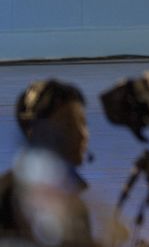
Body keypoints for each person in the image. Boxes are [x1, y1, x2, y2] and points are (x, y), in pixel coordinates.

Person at [0, 80, 95, 246]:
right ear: (35, 132)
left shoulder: (75, 202)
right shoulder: (6, 198)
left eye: (83, 123)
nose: (82, 134)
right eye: (68, 125)